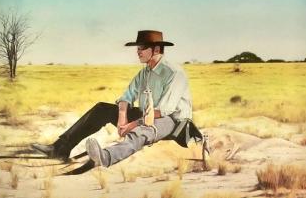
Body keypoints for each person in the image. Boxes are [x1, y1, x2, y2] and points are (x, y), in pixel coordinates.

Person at [31, 30, 193, 167]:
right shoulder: (145, 72)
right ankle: (60, 149)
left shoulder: (174, 73)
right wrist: (122, 118)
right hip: (146, 114)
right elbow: (127, 96)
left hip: (173, 121)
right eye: (137, 48)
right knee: (102, 109)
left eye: (142, 48)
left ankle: (106, 157)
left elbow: (163, 111)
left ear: (156, 49)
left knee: (144, 129)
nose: (138, 51)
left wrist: (131, 125)